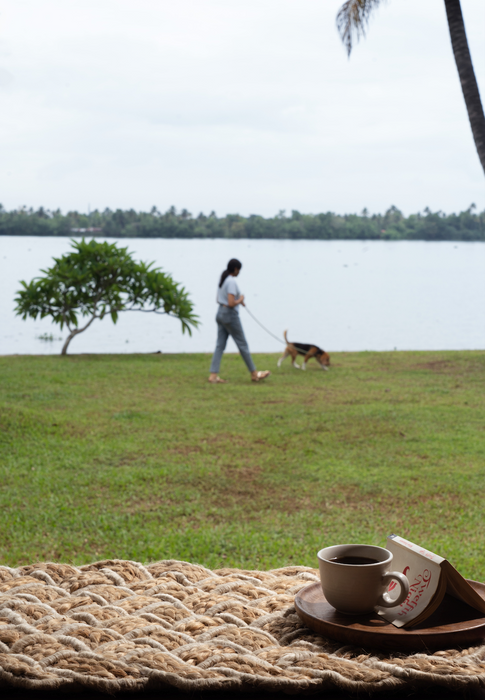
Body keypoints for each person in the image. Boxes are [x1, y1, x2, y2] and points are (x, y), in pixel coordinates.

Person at [209, 259, 270, 384]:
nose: (239, 272)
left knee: (219, 345)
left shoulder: (224, 279)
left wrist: (238, 300)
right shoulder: (231, 281)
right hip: (229, 316)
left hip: (220, 313)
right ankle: (254, 374)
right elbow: (231, 303)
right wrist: (240, 299)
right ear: (236, 269)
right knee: (242, 344)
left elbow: (221, 298)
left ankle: (213, 375)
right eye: (239, 270)